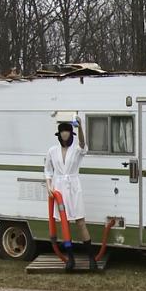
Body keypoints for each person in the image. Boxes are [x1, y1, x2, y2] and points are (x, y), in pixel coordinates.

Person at [44, 116, 98, 271]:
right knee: (64, 225)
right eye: (63, 132)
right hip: (58, 189)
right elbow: (48, 170)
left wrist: (80, 126)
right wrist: (49, 186)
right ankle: (70, 258)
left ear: (71, 134)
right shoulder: (52, 151)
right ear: (59, 134)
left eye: (68, 132)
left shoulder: (77, 150)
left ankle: (91, 257)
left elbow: (83, 144)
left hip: (73, 187)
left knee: (80, 222)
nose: (65, 135)